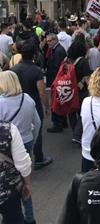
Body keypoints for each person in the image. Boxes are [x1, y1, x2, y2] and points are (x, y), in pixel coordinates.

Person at [0, 71, 41, 224]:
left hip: (5, 148)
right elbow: (37, 123)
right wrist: (33, 140)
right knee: (23, 186)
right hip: (26, 141)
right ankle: (30, 218)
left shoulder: (1, 103)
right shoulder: (28, 99)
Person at [11, 41, 52, 170]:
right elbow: (42, 92)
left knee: (17, 132)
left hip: (16, 104)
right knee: (37, 130)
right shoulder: (36, 70)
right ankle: (39, 158)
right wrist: (47, 106)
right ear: (34, 55)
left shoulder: (14, 70)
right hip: (33, 105)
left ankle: (19, 158)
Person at [0, 122, 32, 224]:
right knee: (13, 219)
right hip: (8, 192)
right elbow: (23, 163)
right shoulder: (8, 129)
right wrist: (26, 183)